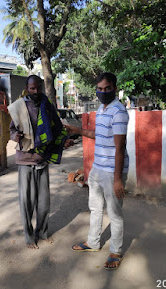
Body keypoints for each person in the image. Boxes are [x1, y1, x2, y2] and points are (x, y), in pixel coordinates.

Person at [65, 72, 129, 270]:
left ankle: (116, 251)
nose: (102, 92)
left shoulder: (118, 112)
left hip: (112, 172)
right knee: (95, 208)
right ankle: (93, 242)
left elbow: (120, 147)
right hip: (97, 169)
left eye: (107, 88)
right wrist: (77, 130)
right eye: (99, 89)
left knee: (115, 214)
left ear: (114, 88)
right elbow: (98, 134)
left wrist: (118, 179)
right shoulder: (102, 109)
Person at [8, 75, 73, 249]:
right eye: (32, 88)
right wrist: (16, 136)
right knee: (27, 202)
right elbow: (11, 130)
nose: (35, 91)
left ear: (42, 88)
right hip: (25, 159)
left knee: (43, 202)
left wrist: (64, 140)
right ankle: (29, 238)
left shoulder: (48, 106)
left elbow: (57, 128)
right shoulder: (18, 106)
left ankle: (42, 232)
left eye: (38, 88)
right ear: (27, 88)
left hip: (42, 158)